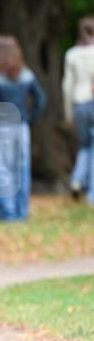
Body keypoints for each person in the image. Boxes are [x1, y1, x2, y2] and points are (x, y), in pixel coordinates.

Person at [0, 35, 46, 221]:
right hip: (21, 125)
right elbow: (40, 99)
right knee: (22, 169)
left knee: (2, 168)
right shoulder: (25, 73)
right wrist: (30, 118)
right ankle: (21, 211)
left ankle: (6, 212)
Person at [62, 15, 94, 204]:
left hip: (79, 103)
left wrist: (69, 113)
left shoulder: (72, 54)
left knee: (84, 147)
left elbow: (67, 86)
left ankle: (77, 179)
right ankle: (92, 193)